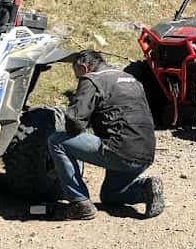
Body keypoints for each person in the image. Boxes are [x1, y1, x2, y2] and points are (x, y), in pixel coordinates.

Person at [49, 50, 164, 221]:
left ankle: (79, 203)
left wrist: (75, 106)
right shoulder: (130, 78)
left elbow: (74, 122)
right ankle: (146, 188)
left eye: (76, 75)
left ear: (83, 67)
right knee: (111, 195)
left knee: (57, 141)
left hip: (119, 150)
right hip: (146, 153)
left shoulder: (91, 79)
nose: (77, 80)